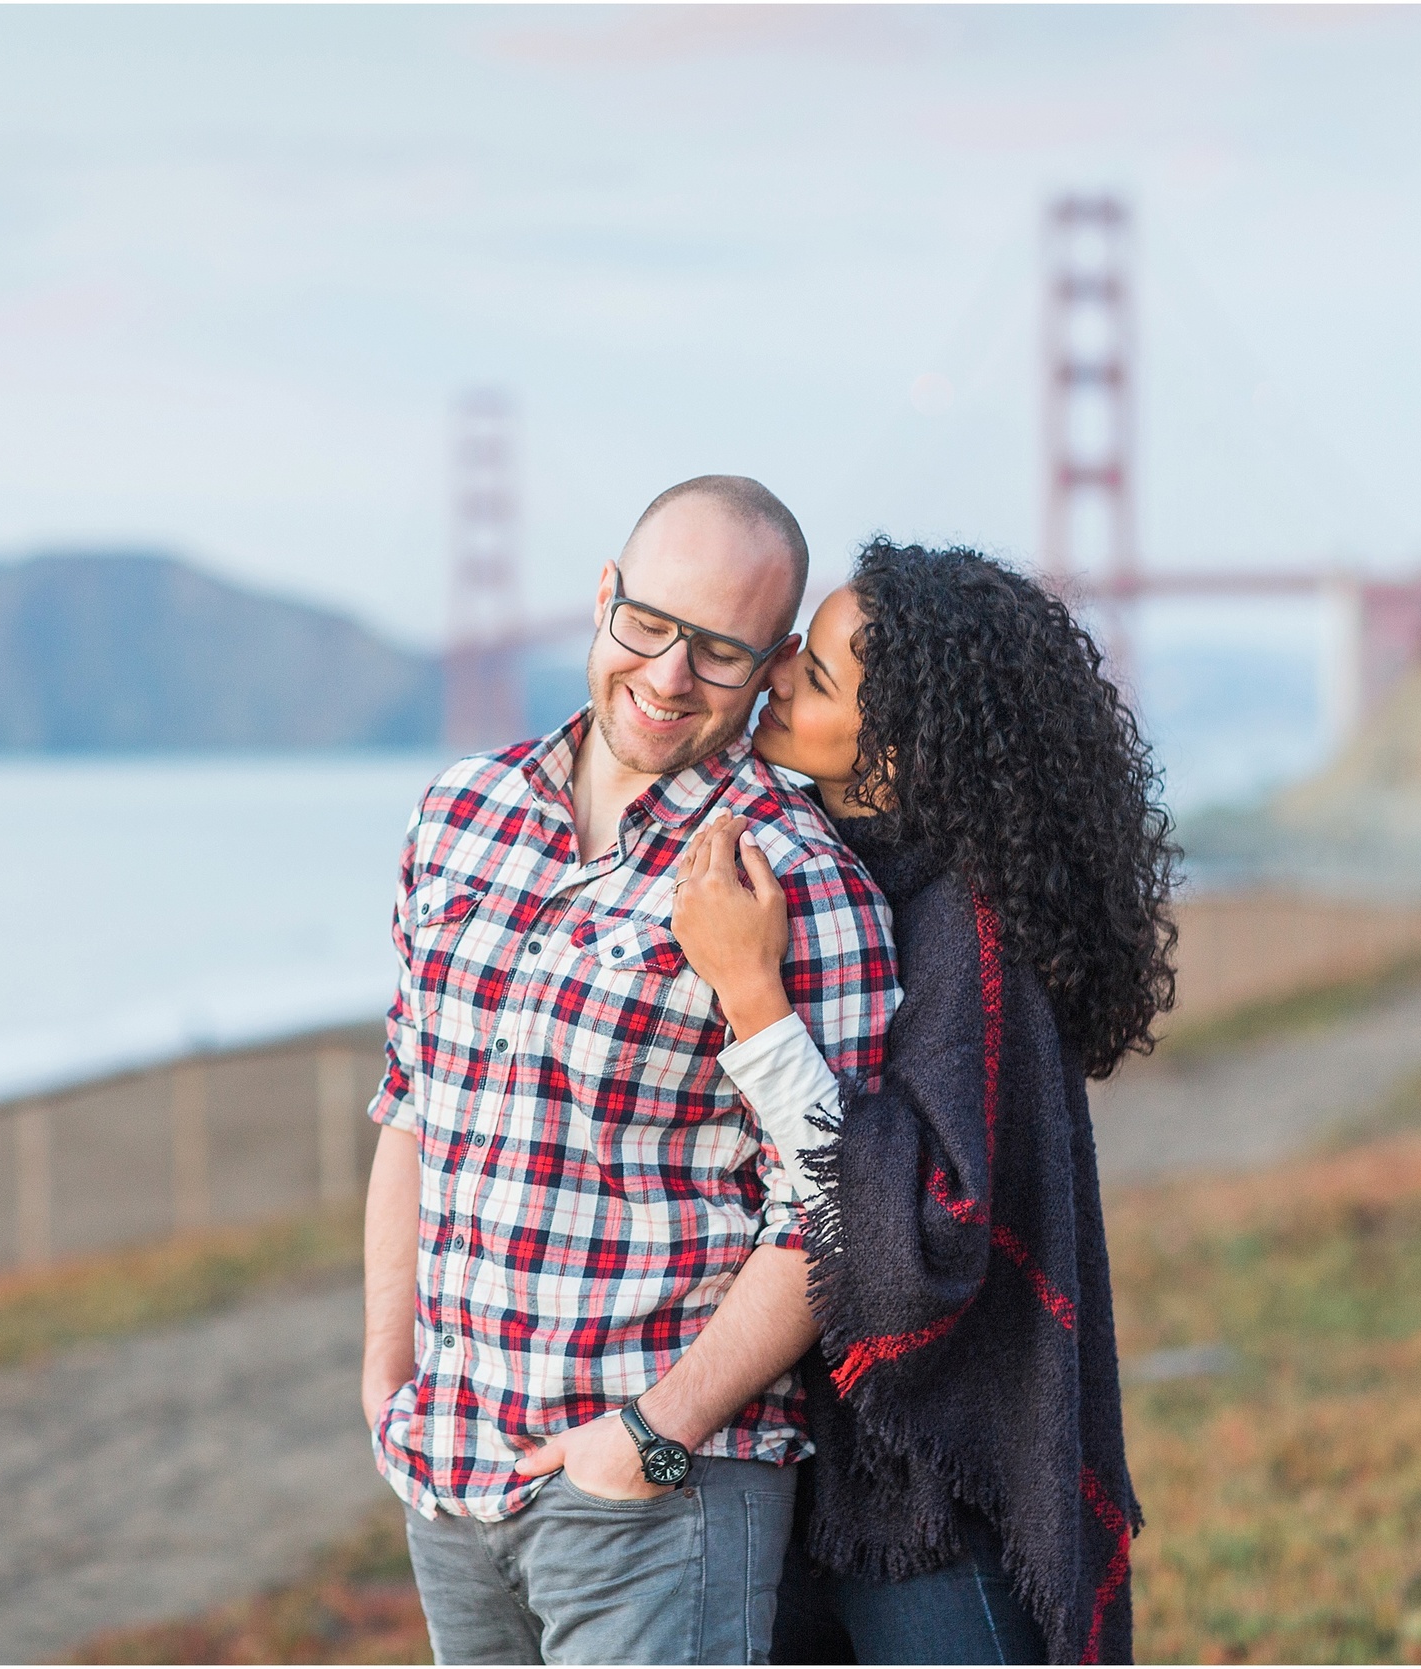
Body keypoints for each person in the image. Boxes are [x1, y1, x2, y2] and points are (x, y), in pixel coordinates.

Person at [360, 477, 902, 1665]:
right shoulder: (459, 814)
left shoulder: (799, 885)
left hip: (657, 1494)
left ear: (768, 665)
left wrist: (653, 1436)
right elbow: (412, 1107)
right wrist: (384, 1375)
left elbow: (833, 1215)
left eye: (717, 653)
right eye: (649, 626)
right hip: (448, 1471)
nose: (666, 679)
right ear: (603, 596)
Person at [668, 540, 1176, 1665]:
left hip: (937, 1492)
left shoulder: (963, 929)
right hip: (785, 1468)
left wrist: (752, 995)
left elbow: (912, 1248)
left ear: (894, 758)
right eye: (798, 647)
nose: (779, 672)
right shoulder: (805, 861)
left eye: (819, 679)